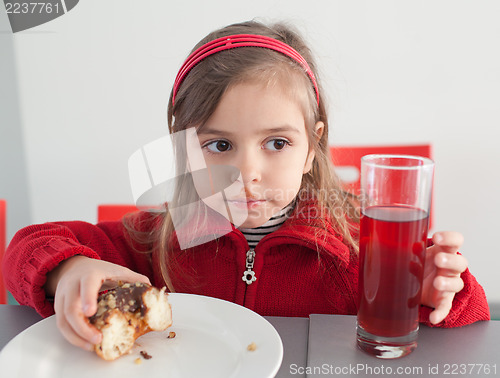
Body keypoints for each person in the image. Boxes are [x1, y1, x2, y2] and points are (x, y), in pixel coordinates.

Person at [2, 20, 490, 353]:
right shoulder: (158, 239)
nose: (247, 173)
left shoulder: (361, 248)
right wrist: (69, 269)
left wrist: (438, 294)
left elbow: (474, 322)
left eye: (276, 142)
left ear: (311, 146)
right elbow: (25, 247)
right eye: (218, 146)